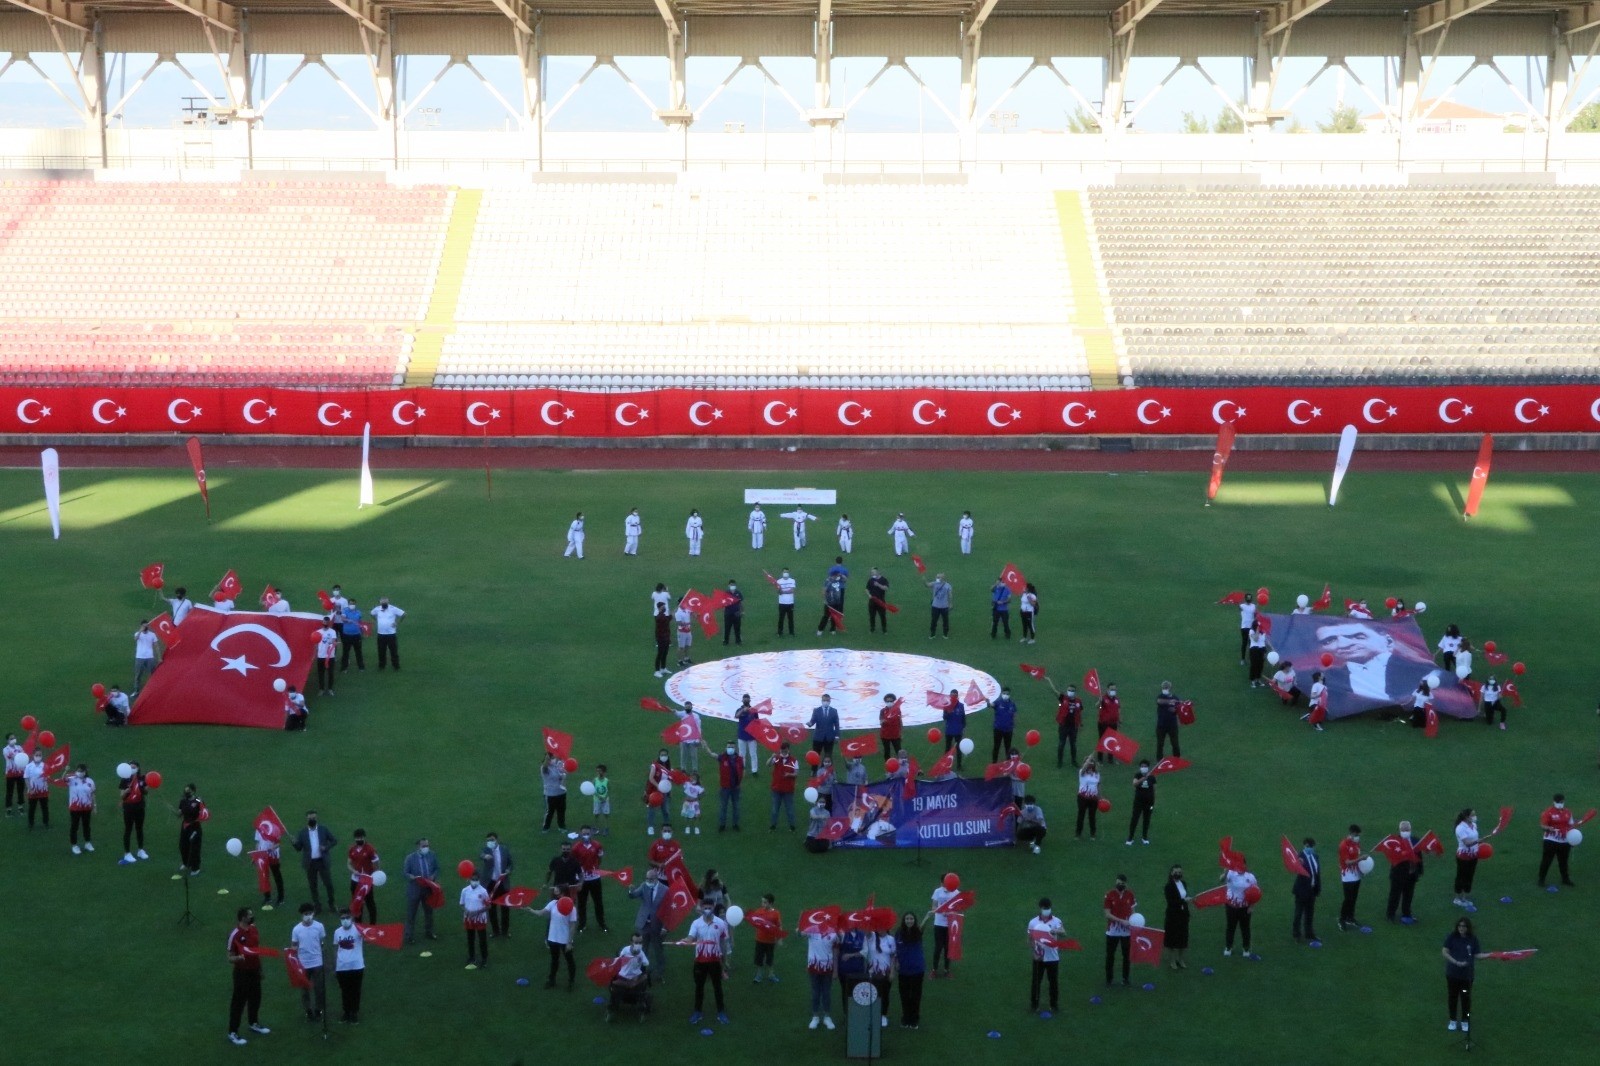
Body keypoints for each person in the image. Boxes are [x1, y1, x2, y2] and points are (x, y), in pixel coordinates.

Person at [1315, 619, 1441, 712]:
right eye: (1329, 641)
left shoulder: (1419, 671)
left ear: (1388, 641)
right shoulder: (1331, 678)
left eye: (1358, 636)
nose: (1343, 644)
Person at [225, 907, 271, 1046]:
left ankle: (253, 1023)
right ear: (243, 918)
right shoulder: (235, 934)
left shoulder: (253, 929)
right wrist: (239, 957)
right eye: (250, 915)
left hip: (254, 970)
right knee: (238, 1003)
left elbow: (256, 951)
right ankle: (232, 1032)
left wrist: (260, 969)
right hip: (242, 973)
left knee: (256, 998)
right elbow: (229, 957)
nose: (252, 916)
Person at [686, 900, 732, 1025]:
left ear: (713, 908)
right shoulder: (696, 923)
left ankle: (721, 1012)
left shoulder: (721, 923)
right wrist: (686, 940)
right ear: (701, 908)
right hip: (700, 961)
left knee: (717, 987)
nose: (707, 909)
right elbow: (691, 938)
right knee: (699, 987)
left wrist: (725, 961)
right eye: (705, 907)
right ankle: (697, 1011)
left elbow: (723, 943)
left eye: (709, 907)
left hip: (715, 961)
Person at [289, 902, 328, 1022]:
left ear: (313, 913)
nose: (308, 916)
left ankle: (318, 1009)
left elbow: (322, 941)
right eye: (306, 914)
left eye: (310, 913)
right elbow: (294, 945)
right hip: (303, 963)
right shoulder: (297, 929)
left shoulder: (319, 926)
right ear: (302, 915)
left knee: (319, 988)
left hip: (317, 962)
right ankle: (308, 1010)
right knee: (305, 989)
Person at [530, 893, 578, 989]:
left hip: (565, 940)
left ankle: (571, 981)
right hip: (553, 938)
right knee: (554, 960)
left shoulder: (572, 908)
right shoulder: (553, 904)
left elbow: (572, 927)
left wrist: (569, 942)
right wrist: (530, 910)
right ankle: (552, 980)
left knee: (569, 961)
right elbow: (541, 913)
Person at [628, 867, 669, 979]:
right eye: (647, 878)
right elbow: (634, 895)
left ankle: (660, 972)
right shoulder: (644, 885)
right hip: (644, 923)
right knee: (642, 947)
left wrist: (665, 927)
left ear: (656, 878)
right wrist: (631, 890)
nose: (648, 881)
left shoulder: (665, 890)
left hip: (657, 925)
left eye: (650, 879)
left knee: (658, 949)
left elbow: (668, 910)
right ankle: (641, 970)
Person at [1442, 917, 1481, 1033]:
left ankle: (1465, 1020)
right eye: (1459, 926)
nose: (1461, 928)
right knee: (1452, 997)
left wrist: (1491, 955)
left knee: (1465, 998)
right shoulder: (1452, 937)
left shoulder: (1473, 940)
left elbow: (1477, 954)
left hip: (1466, 976)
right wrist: (1456, 962)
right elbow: (1444, 951)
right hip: (1453, 974)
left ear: (1468, 927)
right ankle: (1453, 1020)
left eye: (1464, 926)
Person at [293, 811, 337, 913]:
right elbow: (299, 848)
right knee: (313, 885)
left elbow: (334, 840)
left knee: (328, 884)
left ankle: (331, 904)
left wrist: (326, 847)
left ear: (316, 819)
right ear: (307, 819)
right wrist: (294, 843)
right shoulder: (302, 832)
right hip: (310, 863)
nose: (312, 820)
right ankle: (317, 906)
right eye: (310, 818)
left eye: (313, 818)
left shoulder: (323, 829)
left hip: (322, 861)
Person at [1027, 898, 1065, 1014]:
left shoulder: (1056, 921)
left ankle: (1053, 1005)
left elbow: (1063, 932)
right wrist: (1035, 952)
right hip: (1039, 957)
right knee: (1036, 982)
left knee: (1053, 982)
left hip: (1053, 957)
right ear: (1040, 908)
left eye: (1048, 908)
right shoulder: (1033, 922)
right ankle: (1035, 1004)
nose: (1047, 911)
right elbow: (1030, 939)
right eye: (1045, 908)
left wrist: (1055, 931)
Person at [803, 912, 840, 1029]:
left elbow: (835, 953)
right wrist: (800, 925)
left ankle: (827, 1017)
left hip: (827, 968)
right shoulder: (811, 930)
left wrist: (835, 970)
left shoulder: (833, 933)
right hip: (814, 967)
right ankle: (815, 1017)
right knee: (815, 993)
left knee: (826, 993)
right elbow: (800, 933)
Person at [402, 837, 440, 944]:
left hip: (428, 888)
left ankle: (429, 932)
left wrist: (433, 876)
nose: (426, 848)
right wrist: (412, 877)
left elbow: (437, 868)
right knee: (411, 914)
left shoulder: (432, 855)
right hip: (415, 888)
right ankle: (409, 936)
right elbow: (405, 872)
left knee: (429, 912)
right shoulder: (410, 858)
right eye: (423, 846)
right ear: (418, 847)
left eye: (427, 845)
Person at [331, 908, 364, 1023]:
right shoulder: (337, 932)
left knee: (355, 990)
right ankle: (346, 1012)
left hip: (357, 965)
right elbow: (336, 949)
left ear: (352, 918)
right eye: (342, 918)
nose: (345, 920)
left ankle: (354, 1012)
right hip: (342, 967)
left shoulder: (359, 929)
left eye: (347, 917)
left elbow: (370, 935)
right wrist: (335, 965)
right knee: (345, 990)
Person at [1222, 860, 1260, 959]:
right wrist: (1225, 872)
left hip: (1245, 908)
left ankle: (1246, 948)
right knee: (1231, 927)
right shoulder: (1231, 873)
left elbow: (1256, 892)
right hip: (1231, 906)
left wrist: (1251, 907)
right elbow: (1221, 880)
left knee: (1245, 928)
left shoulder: (1250, 877)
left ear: (1245, 865)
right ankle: (1228, 947)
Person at [573, 826, 608, 932]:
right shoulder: (576, 848)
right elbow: (574, 863)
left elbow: (599, 858)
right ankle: (582, 924)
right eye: (584, 833)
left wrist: (595, 869)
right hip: (582, 879)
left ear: (591, 833)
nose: (586, 835)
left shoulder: (597, 845)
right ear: (580, 834)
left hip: (595, 878)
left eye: (588, 833)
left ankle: (601, 923)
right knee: (582, 903)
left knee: (598, 902)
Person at [1387, 821, 1423, 923]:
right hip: (1398, 874)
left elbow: (1419, 857)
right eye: (1403, 830)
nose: (1405, 832)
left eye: (1407, 830)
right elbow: (1393, 857)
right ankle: (1390, 915)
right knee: (1395, 895)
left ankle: (1406, 913)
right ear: (1399, 830)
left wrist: (1418, 871)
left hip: (1411, 874)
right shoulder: (1395, 842)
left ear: (1410, 830)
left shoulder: (1415, 840)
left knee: (1408, 895)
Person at [1538, 792, 1576, 888]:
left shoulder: (1568, 812)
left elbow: (1571, 825)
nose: (1560, 803)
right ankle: (1541, 879)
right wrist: (1549, 828)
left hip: (1564, 841)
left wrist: (1573, 839)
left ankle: (1565, 879)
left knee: (1563, 861)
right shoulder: (1548, 812)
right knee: (1547, 860)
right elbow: (1543, 825)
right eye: (1558, 802)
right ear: (1554, 802)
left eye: (1561, 802)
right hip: (1551, 840)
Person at [341, 828, 379, 923]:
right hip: (355, 880)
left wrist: (372, 875)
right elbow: (349, 863)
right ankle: (358, 924)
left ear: (364, 837)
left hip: (366, 881)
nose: (359, 840)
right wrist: (354, 871)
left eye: (360, 838)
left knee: (370, 903)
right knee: (357, 902)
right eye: (357, 838)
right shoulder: (352, 849)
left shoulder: (370, 849)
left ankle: (372, 924)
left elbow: (376, 863)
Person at [894, 912, 926, 1027]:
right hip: (903, 970)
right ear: (904, 920)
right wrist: (896, 962)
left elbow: (923, 925)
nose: (909, 921)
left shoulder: (917, 932)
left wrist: (927, 916)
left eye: (911, 918)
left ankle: (914, 1019)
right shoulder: (898, 933)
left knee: (916, 995)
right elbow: (895, 949)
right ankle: (906, 1018)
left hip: (917, 969)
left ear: (914, 920)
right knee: (904, 995)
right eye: (907, 918)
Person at [1103, 874, 1135, 987]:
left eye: (1122, 883)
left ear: (1126, 884)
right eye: (1118, 883)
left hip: (1126, 931)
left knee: (1127, 956)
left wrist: (1134, 922)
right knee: (1110, 955)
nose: (1120, 885)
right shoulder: (1109, 895)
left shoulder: (1130, 895)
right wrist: (1122, 921)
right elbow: (1107, 914)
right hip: (1113, 931)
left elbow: (1133, 912)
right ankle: (1109, 979)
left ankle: (1125, 979)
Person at [480, 831, 513, 937]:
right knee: (492, 909)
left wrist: (508, 870)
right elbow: (481, 855)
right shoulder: (486, 850)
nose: (490, 842)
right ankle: (495, 931)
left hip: (503, 882)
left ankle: (505, 931)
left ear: (497, 840)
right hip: (491, 883)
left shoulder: (504, 849)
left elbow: (510, 863)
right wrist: (485, 856)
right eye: (488, 840)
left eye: (492, 840)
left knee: (505, 908)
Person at [1291, 837, 1322, 942]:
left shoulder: (1315, 856)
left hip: (1311, 890)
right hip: (1301, 890)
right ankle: (1297, 935)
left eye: (1311, 846)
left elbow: (1317, 873)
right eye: (1308, 846)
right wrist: (1298, 862)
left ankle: (1309, 933)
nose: (1310, 848)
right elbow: (1294, 866)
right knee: (1298, 914)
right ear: (1305, 846)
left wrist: (1318, 888)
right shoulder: (1299, 857)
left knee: (1309, 913)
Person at [460, 871, 491, 970]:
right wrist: (467, 911)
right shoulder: (465, 891)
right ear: (469, 879)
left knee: (482, 939)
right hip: (469, 919)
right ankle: (471, 957)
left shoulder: (483, 891)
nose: (474, 881)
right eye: (473, 879)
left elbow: (488, 906)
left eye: (476, 879)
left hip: (480, 919)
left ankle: (484, 959)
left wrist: (476, 912)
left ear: (479, 880)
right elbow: (461, 904)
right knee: (470, 938)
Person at [866, 928, 896, 1029]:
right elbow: (867, 931)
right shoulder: (871, 937)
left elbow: (893, 956)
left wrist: (892, 972)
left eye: (882, 927)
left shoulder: (891, 939)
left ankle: (883, 1015)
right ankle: (873, 1015)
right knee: (873, 994)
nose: (880, 930)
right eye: (879, 927)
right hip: (872, 972)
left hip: (886, 972)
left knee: (885, 994)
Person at [1049, 680, 1083, 769]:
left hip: (1073, 727)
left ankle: (1074, 761)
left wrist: (1080, 723)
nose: (1070, 692)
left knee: (1073, 745)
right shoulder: (1063, 698)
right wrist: (1049, 680)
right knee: (1061, 744)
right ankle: (1060, 761)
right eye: (1069, 690)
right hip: (1063, 726)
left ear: (1075, 692)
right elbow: (1054, 691)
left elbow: (1079, 713)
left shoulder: (1079, 701)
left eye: (1072, 690)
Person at [119, 762, 149, 862]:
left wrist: (145, 787)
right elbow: (122, 796)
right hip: (128, 807)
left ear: (138, 768)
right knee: (128, 829)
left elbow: (146, 792)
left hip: (140, 807)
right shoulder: (124, 780)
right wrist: (126, 792)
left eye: (134, 767)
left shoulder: (142, 778)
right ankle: (127, 853)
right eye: (130, 767)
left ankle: (140, 850)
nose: (132, 768)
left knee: (139, 828)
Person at [929, 876, 958, 978]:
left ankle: (947, 970)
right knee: (938, 947)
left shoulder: (956, 892)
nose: (943, 885)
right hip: (939, 924)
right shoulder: (938, 891)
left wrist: (951, 912)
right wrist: (940, 911)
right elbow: (934, 906)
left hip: (950, 924)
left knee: (948, 948)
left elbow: (958, 908)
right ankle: (934, 969)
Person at [1163, 864, 1191, 970]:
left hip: (1183, 915)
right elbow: (1171, 902)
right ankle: (1172, 961)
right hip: (1173, 916)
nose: (1178, 874)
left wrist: (1186, 901)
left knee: (1183, 938)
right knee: (1172, 939)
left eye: (1180, 872)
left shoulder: (1183, 883)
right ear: (1171, 873)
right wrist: (1184, 901)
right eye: (1176, 872)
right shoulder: (1168, 886)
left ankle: (1181, 959)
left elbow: (1184, 895)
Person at [1453, 809, 1480, 909]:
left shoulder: (1474, 826)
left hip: (1473, 855)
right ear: (1466, 817)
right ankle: (1457, 898)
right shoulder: (1460, 828)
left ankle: (1464, 898)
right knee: (1461, 876)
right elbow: (1467, 843)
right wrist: (1479, 841)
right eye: (1472, 815)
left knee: (1469, 876)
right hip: (1463, 856)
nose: (1474, 816)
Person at [255, 822, 286, 910]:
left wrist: (273, 847)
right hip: (262, 854)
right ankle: (267, 897)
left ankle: (281, 898)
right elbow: (258, 842)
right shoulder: (259, 828)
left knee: (277, 876)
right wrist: (256, 854)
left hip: (273, 854)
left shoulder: (275, 827)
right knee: (264, 876)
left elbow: (278, 843)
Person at [1338, 824, 1363, 931]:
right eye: (1356, 834)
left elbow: (1357, 857)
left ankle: (1350, 918)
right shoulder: (1344, 845)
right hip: (1347, 876)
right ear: (1352, 833)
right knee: (1348, 899)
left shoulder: (1356, 844)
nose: (1358, 836)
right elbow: (1347, 862)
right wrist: (1361, 859)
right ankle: (1342, 920)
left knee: (1354, 898)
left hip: (1356, 875)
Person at [370, 596, 405, 671]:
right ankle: (382, 665)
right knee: (381, 650)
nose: (384, 604)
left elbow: (403, 614)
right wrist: (376, 620)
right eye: (383, 602)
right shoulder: (377, 609)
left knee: (393, 651)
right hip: (381, 634)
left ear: (388, 602)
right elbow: (372, 614)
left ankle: (396, 665)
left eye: (385, 602)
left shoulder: (393, 609)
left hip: (391, 634)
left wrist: (397, 623)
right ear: (380, 603)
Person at [769, 743, 798, 831]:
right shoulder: (777, 758)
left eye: (785, 751)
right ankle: (773, 826)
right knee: (775, 809)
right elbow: (768, 764)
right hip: (777, 788)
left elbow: (796, 773)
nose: (783, 753)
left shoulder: (794, 760)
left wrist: (789, 774)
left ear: (788, 750)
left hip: (788, 789)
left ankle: (792, 826)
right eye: (782, 751)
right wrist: (771, 757)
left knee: (789, 809)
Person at [67, 763, 95, 854]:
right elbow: (63, 779)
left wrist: (94, 805)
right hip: (75, 808)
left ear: (85, 772)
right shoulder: (72, 779)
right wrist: (66, 770)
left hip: (86, 808)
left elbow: (92, 794)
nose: (80, 773)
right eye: (78, 771)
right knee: (74, 826)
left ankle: (87, 843)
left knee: (86, 826)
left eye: (82, 771)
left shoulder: (90, 781)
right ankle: (74, 845)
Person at [1126, 760, 1156, 845]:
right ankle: (1130, 838)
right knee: (1135, 818)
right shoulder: (1138, 775)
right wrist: (1142, 779)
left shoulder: (1152, 777)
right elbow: (1134, 784)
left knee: (1147, 819)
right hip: (1138, 801)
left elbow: (1154, 789)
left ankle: (1144, 837)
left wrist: (1154, 801)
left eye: (1145, 766)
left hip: (1149, 802)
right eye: (1142, 766)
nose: (1144, 768)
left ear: (1148, 767)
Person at [177, 783, 205, 874]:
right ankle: (186, 864)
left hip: (195, 826)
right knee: (183, 846)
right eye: (186, 790)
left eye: (188, 790)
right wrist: (177, 812)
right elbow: (180, 813)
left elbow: (203, 810)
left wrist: (201, 802)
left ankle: (195, 868)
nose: (186, 792)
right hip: (185, 826)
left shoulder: (197, 800)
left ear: (193, 791)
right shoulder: (183, 801)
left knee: (194, 848)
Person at [646, 750, 674, 835]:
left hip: (664, 791)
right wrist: (658, 786)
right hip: (654, 791)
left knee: (665, 809)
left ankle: (666, 826)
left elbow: (668, 781)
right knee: (652, 809)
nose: (664, 756)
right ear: (659, 756)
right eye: (662, 755)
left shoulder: (668, 768)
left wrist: (669, 791)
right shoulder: (655, 765)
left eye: (665, 755)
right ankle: (650, 827)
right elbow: (651, 778)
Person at [1155, 681, 1183, 760]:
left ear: (1170, 688)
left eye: (1166, 687)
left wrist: (1175, 711)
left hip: (1172, 725)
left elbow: (1178, 709)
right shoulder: (1160, 696)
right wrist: (1170, 701)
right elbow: (1159, 701)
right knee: (1160, 743)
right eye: (1164, 687)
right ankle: (1159, 759)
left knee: (1175, 743)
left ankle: (1177, 758)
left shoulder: (1175, 697)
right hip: (1161, 725)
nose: (1165, 689)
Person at [989, 686, 1017, 763]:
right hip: (998, 729)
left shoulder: (1012, 704)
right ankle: (994, 763)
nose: (1005, 695)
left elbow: (1014, 716)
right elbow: (991, 705)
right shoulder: (998, 702)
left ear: (1009, 695)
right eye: (1004, 693)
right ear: (1002, 693)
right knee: (996, 747)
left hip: (1008, 730)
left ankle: (1008, 763)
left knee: (1007, 748)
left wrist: (1013, 728)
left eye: (1007, 694)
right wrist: (988, 702)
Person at [541, 753, 568, 832]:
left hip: (561, 792)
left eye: (552, 758)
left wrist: (563, 771)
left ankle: (561, 826)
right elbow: (546, 767)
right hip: (550, 794)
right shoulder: (545, 768)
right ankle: (546, 827)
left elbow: (563, 774)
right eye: (550, 758)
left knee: (561, 810)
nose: (552, 759)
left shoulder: (558, 765)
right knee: (550, 811)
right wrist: (547, 758)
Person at [941, 689, 968, 769]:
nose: (953, 697)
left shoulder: (961, 706)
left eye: (954, 695)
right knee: (947, 749)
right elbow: (944, 717)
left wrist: (964, 727)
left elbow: (963, 717)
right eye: (951, 695)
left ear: (957, 696)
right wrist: (948, 713)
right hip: (949, 730)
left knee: (959, 749)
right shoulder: (946, 705)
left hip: (958, 731)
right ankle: (945, 765)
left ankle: (959, 766)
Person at [1096, 684, 1121, 765]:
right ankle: (1100, 760)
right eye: (1111, 689)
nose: (1113, 691)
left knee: (1112, 741)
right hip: (1103, 723)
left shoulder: (1116, 700)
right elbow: (1097, 706)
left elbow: (1118, 709)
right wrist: (1099, 702)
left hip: (1113, 723)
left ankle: (1110, 759)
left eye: (1114, 689)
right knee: (1102, 741)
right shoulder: (1103, 698)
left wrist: (1119, 720)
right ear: (1108, 690)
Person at [1075, 757, 1100, 840]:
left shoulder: (1097, 774)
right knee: (1081, 815)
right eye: (1088, 762)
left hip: (1093, 798)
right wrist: (1088, 760)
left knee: (1092, 816)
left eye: (1092, 762)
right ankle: (1078, 834)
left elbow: (1098, 785)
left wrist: (1100, 796)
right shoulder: (1082, 772)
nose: (1090, 763)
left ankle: (1093, 834)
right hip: (1083, 797)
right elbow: (1083, 768)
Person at [23, 750, 49, 829]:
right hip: (32, 791)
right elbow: (26, 778)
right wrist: (30, 789)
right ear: (33, 755)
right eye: (36, 755)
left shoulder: (45, 765)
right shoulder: (29, 766)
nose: (38, 756)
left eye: (40, 755)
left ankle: (46, 823)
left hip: (43, 791)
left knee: (44, 808)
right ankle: (31, 824)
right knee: (32, 808)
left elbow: (48, 777)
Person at [132, 619, 160, 692]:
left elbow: (156, 646)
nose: (145, 627)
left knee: (152, 674)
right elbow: (135, 639)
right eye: (143, 625)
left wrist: (159, 657)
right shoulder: (138, 633)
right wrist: (140, 631)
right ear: (141, 626)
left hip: (149, 657)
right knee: (138, 675)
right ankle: (136, 690)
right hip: (139, 657)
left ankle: (152, 689)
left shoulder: (152, 634)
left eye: (146, 625)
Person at [339, 597, 365, 671]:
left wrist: (362, 632)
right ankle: (344, 667)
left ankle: (361, 667)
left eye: (353, 604)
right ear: (348, 604)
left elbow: (360, 622)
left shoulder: (358, 612)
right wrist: (347, 620)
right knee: (346, 652)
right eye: (350, 604)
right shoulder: (345, 611)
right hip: (347, 635)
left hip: (356, 635)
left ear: (355, 604)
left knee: (358, 651)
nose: (352, 605)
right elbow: (342, 619)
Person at [315, 619, 338, 695]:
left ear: (329, 623)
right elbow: (316, 643)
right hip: (321, 656)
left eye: (327, 622)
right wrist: (316, 653)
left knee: (330, 673)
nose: (325, 623)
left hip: (330, 656)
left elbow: (334, 641)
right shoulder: (318, 632)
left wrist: (333, 643)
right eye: (324, 622)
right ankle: (321, 689)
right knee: (321, 673)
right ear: (322, 622)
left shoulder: (332, 632)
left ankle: (330, 689)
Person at [3, 731, 23, 815]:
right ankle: (8, 808)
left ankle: (20, 806)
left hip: (20, 773)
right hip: (10, 774)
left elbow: (23, 757)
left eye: (14, 738)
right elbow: (11, 756)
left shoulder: (19, 747)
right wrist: (19, 755)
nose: (13, 740)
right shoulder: (5, 749)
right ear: (8, 741)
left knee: (20, 791)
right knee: (9, 791)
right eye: (11, 739)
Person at [879, 694, 903, 764]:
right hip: (885, 735)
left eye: (891, 701)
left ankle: (901, 764)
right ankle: (888, 765)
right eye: (887, 701)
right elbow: (881, 722)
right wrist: (886, 719)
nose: (889, 702)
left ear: (893, 701)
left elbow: (900, 721)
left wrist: (901, 733)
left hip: (895, 735)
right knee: (887, 751)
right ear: (885, 702)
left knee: (898, 750)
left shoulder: (897, 710)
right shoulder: (883, 711)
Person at [926, 572, 952, 637]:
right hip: (935, 606)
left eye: (938, 577)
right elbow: (927, 585)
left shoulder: (947, 585)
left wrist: (950, 603)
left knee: (945, 621)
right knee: (934, 621)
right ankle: (932, 633)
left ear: (942, 578)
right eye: (936, 577)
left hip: (944, 606)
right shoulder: (934, 583)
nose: (936, 578)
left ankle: (945, 633)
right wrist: (924, 581)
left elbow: (950, 595)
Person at [773, 567, 797, 636]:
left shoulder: (792, 580)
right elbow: (779, 592)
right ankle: (780, 632)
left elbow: (792, 590)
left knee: (790, 618)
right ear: (782, 573)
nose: (785, 573)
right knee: (781, 618)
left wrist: (783, 591)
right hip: (782, 603)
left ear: (788, 573)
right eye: (784, 572)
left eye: (786, 572)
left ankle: (791, 632)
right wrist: (779, 588)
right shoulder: (779, 581)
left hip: (790, 603)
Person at [866, 567, 890, 633]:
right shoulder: (871, 580)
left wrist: (878, 585)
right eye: (871, 572)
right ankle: (872, 628)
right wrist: (869, 595)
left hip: (881, 601)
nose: (872, 573)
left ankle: (884, 629)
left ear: (877, 572)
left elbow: (886, 588)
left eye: (873, 572)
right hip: (872, 601)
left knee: (882, 616)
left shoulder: (883, 580)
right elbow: (867, 589)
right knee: (872, 616)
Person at [1246, 622, 1268, 687]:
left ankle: (1258, 679)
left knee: (1260, 665)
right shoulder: (1251, 631)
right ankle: (1253, 680)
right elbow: (1256, 639)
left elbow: (1264, 641)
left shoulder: (1263, 631)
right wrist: (1257, 630)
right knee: (1254, 665)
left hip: (1262, 649)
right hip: (1254, 649)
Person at [722, 580, 744, 646]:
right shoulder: (726, 593)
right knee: (727, 628)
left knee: (737, 628)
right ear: (729, 585)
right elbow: (723, 603)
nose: (732, 586)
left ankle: (738, 641)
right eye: (731, 585)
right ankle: (726, 641)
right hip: (728, 613)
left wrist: (742, 611)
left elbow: (740, 603)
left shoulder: (738, 593)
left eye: (733, 585)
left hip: (736, 613)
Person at [652, 603, 671, 677]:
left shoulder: (662, 616)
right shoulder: (660, 617)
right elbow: (667, 619)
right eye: (663, 607)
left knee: (665, 653)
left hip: (666, 637)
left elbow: (668, 618)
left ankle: (663, 668)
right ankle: (657, 671)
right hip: (661, 638)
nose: (664, 608)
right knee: (660, 654)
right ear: (660, 608)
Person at [1238, 595, 1258, 664]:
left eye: (1250, 598)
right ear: (1245, 599)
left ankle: (1250, 658)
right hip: (1244, 627)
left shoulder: (1254, 606)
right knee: (1244, 643)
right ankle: (1243, 659)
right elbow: (1238, 606)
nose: (1249, 599)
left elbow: (1256, 614)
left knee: (1251, 643)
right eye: (1248, 598)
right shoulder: (1242, 606)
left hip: (1251, 627)